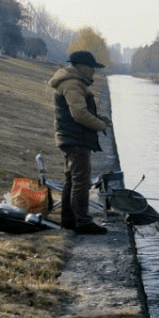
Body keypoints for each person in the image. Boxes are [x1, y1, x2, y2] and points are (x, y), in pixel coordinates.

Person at [50, 50, 111, 234]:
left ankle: (68, 221)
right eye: (92, 67)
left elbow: (77, 110)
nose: (94, 71)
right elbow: (78, 114)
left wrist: (99, 117)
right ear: (82, 67)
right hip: (75, 138)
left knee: (72, 180)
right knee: (81, 182)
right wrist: (99, 125)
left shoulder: (73, 82)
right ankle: (83, 223)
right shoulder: (72, 84)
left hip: (72, 137)